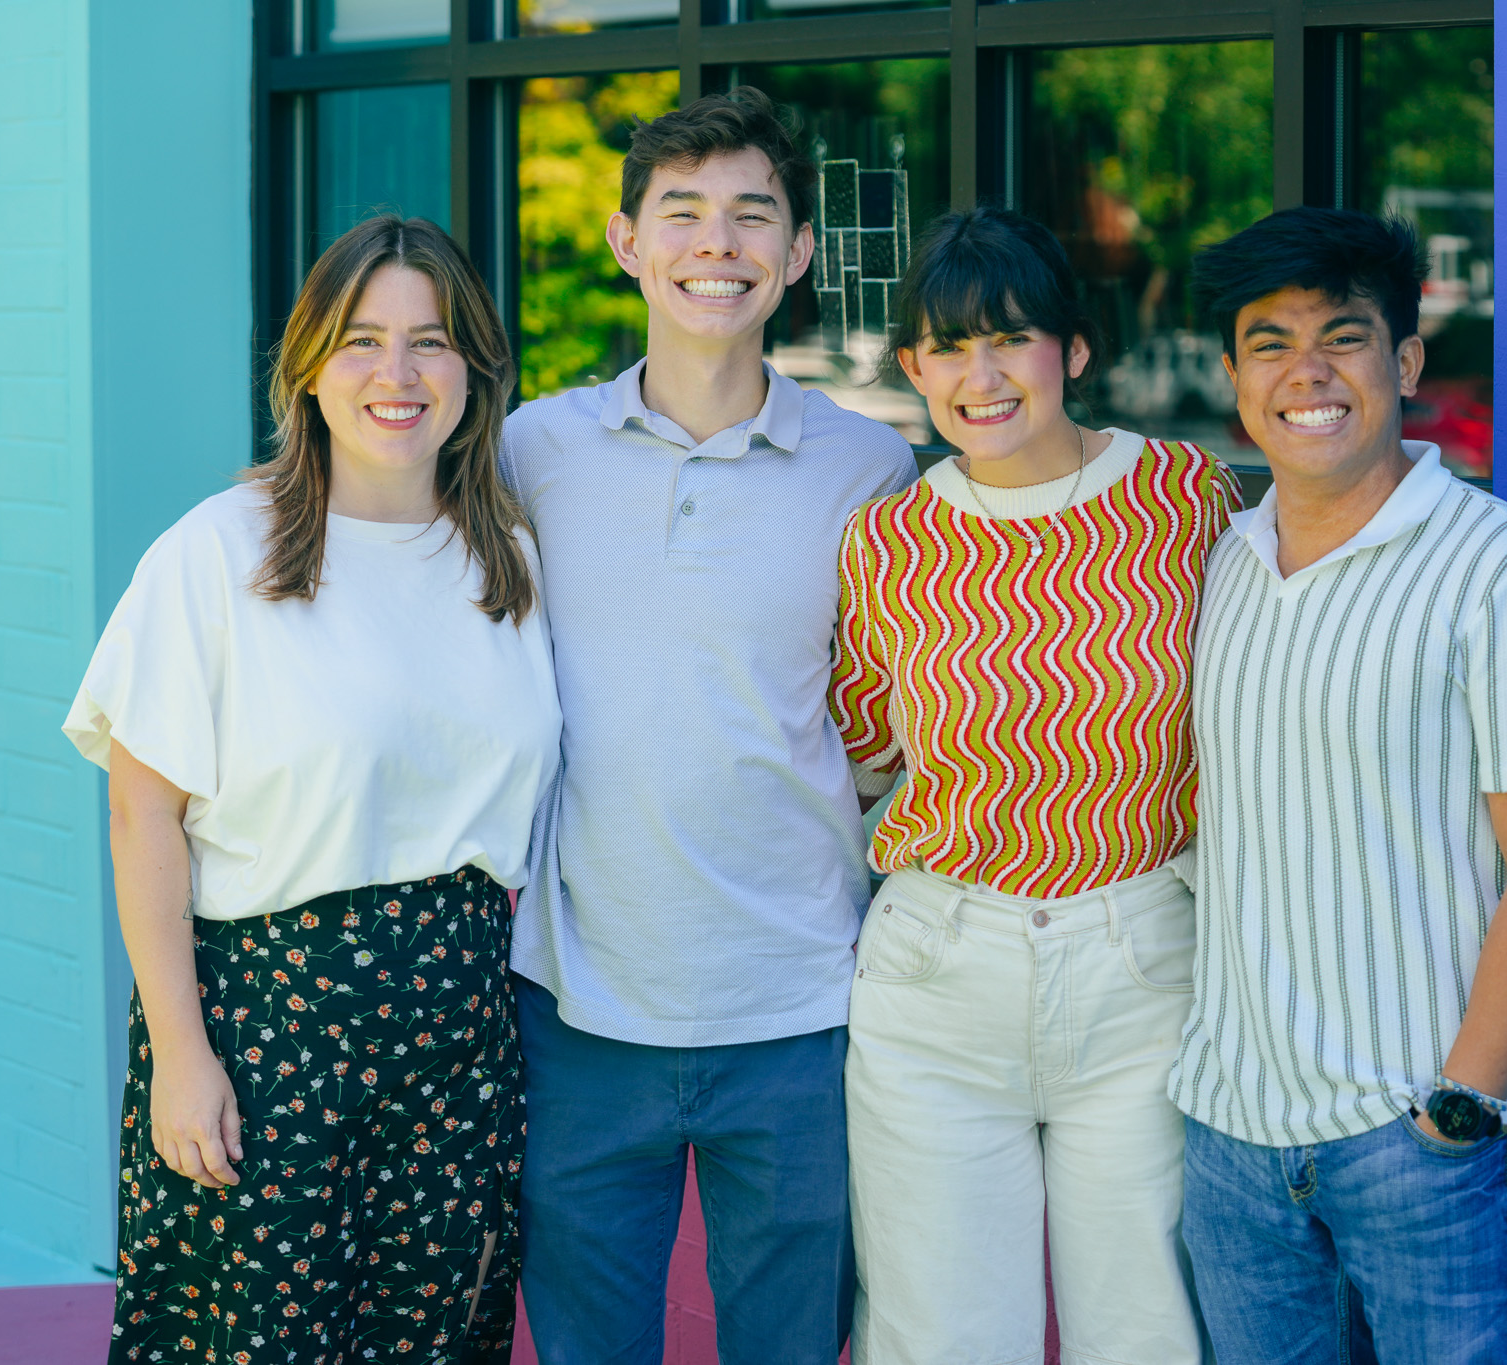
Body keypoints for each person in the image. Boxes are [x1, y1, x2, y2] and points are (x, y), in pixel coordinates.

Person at [64, 215, 559, 1365]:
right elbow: (143, 816)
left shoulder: (509, 560)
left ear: (475, 369)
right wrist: (183, 1057)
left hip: (462, 1033)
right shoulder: (216, 553)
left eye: (430, 342)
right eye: (361, 341)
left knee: (438, 1338)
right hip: (271, 1023)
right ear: (307, 366)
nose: (397, 374)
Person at [501, 88, 919, 1364]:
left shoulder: (870, 469)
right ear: (627, 241)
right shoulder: (528, 452)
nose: (715, 244)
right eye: (680, 213)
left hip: (800, 1008)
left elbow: (892, 723)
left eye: (751, 215)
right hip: (576, 1010)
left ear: (797, 255)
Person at [1169, 206, 1507, 1363]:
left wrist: (1456, 1109)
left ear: (1404, 362)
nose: (1305, 373)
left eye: (1343, 336)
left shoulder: (1506, 575)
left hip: (1422, 1143)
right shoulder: (1222, 561)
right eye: (1268, 342)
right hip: (1233, 1135)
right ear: (1230, 375)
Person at [830, 205, 1240, 1365]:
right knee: (941, 1338)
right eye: (948, 348)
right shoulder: (885, 544)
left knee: (1151, 1330)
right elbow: (866, 754)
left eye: (1009, 338)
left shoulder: (1182, 499)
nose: (980, 375)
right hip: (937, 973)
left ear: (1072, 349)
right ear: (912, 368)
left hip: (1144, 967)